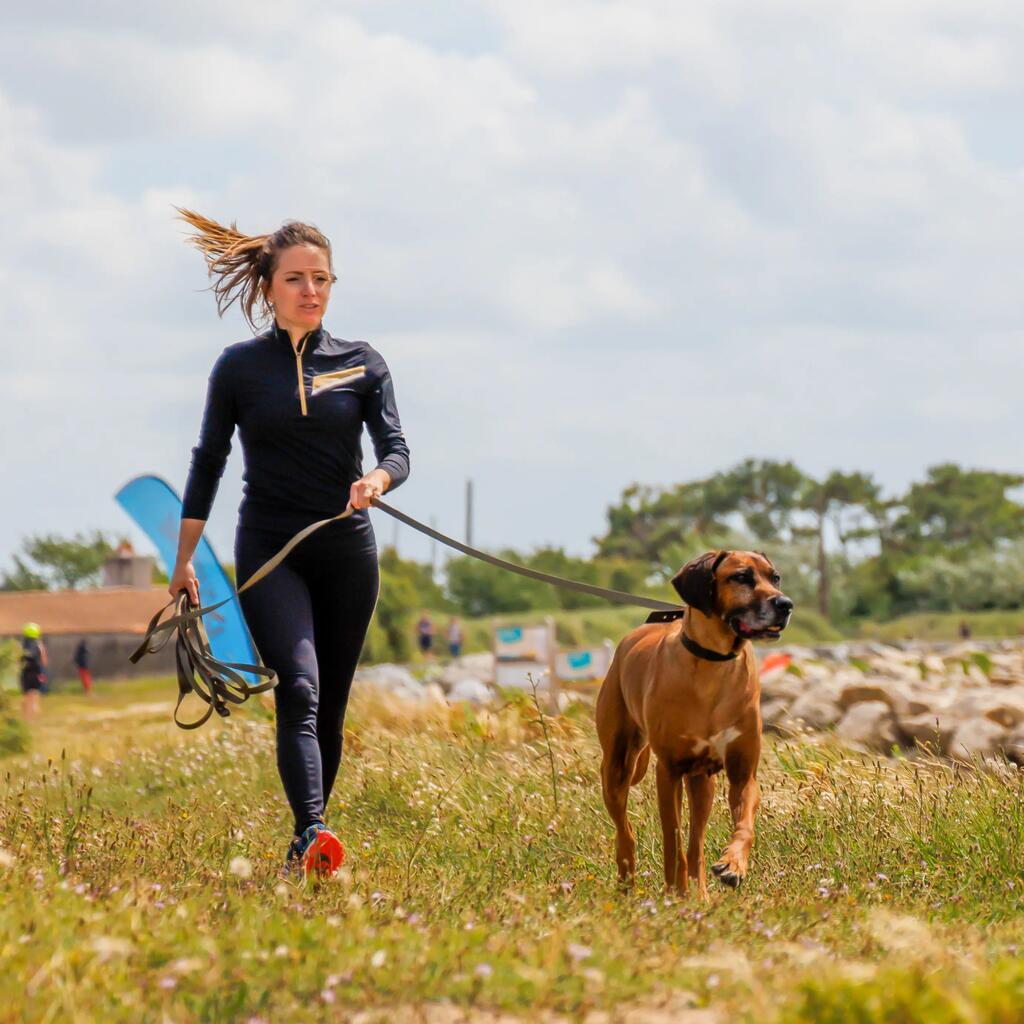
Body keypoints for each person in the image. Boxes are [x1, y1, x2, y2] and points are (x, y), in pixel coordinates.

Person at [168, 210, 410, 876]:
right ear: (269, 287)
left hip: (347, 550)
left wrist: (378, 477)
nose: (311, 290)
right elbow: (208, 460)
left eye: (322, 279)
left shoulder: (362, 363)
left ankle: (308, 847)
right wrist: (185, 559)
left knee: (329, 704)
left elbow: (396, 447)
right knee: (299, 687)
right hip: (272, 551)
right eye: (297, 279)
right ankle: (312, 831)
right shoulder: (240, 369)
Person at [20, 623, 47, 719]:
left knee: (26, 696)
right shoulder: (39, 645)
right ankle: (34, 712)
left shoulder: (22, 645)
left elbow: (18, 660)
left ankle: (27, 717)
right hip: (36, 673)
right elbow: (44, 661)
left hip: (25, 673)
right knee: (34, 694)